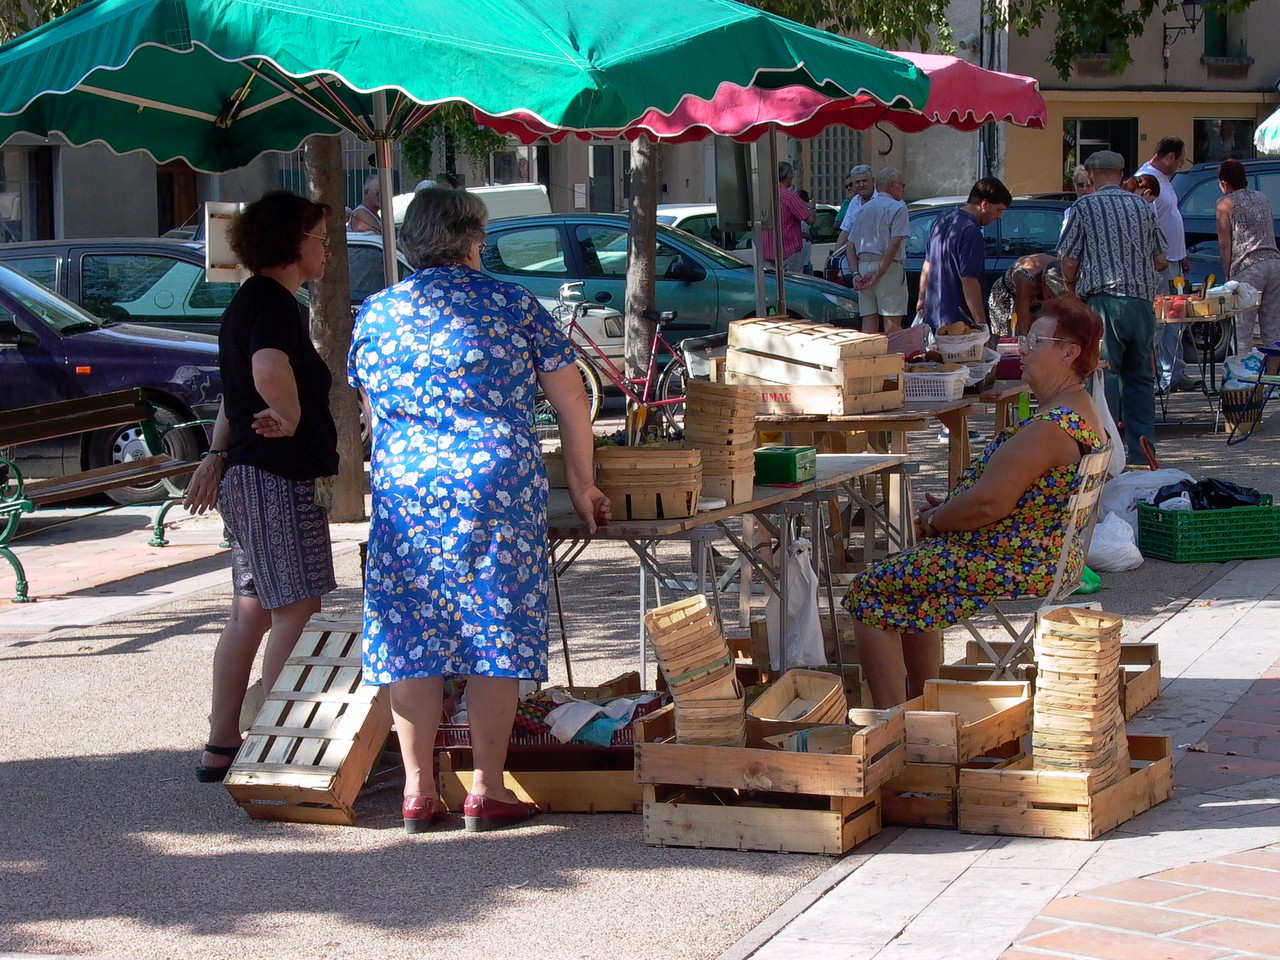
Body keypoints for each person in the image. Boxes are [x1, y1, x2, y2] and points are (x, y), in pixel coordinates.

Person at [347, 188, 611, 834]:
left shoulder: (377, 313)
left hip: (405, 485)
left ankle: (416, 792)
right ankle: (486, 789)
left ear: (409, 243)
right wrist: (582, 482)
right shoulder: (511, 304)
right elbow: (571, 398)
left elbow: (372, 413)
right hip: (495, 481)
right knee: (493, 626)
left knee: (413, 635)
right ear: (474, 239)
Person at [843, 296, 1107, 708]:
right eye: (1024, 338)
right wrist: (947, 510)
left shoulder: (1052, 427)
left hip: (1017, 559)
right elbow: (1000, 498)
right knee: (913, 580)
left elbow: (988, 505)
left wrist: (940, 518)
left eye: (1036, 341)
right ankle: (923, 708)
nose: (1022, 348)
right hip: (1045, 553)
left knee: (869, 591)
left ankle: (892, 723)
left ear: (1069, 352)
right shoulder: (1079, 409)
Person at [183, 191, 341, 782]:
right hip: (276, 476)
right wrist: (294, 417)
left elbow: (234, 395)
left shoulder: (248, 301)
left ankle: (222, 744)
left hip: (248, 473)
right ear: (292, 243)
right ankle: (280, 749)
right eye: (320, 238)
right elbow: (266, 372)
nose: (326, 248)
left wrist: (218, 454)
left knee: (251, 609)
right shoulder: (274, 303)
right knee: (295, 607)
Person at [1058, 149, 1167, 463]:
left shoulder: (1085, 206)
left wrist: (1071, 290)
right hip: (1142, 303)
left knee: (1106, 376)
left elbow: (1068, 261)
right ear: (1121, 175)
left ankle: (1106, 452)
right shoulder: (1143, 207)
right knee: (1141, 378)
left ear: (1090, 174)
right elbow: (1161, 259)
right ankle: (1144, 453)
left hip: (1104, 301)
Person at [917, 177, 1012, 331]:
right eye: (999, 210)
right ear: (984, 204)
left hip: (933, 317)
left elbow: (927, 265)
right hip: (957, 325)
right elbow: (969, 280)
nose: (999, 217)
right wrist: (981, 323)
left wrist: (921, 299)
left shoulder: (943, 218)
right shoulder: (971, 232)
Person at [1137, 137, 1193, 392]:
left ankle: (1174, 371)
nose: (1180, 165)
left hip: (1173, 261)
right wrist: (1157, 256)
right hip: (1159, 263)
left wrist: (1181, 254)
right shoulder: (1146, 181)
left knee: (1176, 319)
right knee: (1160, 321)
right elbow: (1149, 226)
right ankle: (1157, 376)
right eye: (1180, 160)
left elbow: (1170, 219)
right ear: (1169, 156)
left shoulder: (1165, 181)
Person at [1217, 158, 1280, 375]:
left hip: (1248, 267)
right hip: (1273, 263)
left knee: (1242, 330)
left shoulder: (1225, 203)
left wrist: (1227, 275)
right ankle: (1272, 381)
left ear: (1224, 182)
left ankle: (1244, 379)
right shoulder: (1262, 198)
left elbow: (1225, 243)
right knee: (1272, 328)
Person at [847, 167, 910, 333]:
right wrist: (877, 273)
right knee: (892, 322)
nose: (903, 188)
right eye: (902, 185)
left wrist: (855, 274)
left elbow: (850, 246)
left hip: (863, 267)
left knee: (869, 322)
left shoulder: (862, 209)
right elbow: (895, 243)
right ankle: (892, 358)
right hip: (887, 268)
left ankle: (868, 357)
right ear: (892, 185)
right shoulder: (898, 207)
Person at [986, 253, 1069, 337]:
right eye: (1050, 294)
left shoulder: (1063, 271)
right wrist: (1022, 340)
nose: (1049, 298)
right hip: (1007, 296)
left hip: (1033, 292)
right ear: (1045, 283)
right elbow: (1021, 322)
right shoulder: (1025, 279)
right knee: (1009, 334)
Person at [760, 161, 815, 274]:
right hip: (787, 252)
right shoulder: (789, 197)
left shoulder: (764, 196)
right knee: (792, 287)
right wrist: (812, 207)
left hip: (766, 252)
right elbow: (810, 220)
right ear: (789, 176)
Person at [834, 164, 876, 252]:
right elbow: (845, 231)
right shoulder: (854, 201)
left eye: (864, 181)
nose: (861, 184)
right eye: (857, 182)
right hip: (857, 254)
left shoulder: (881, 199)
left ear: (872, 180)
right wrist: (834, 254)